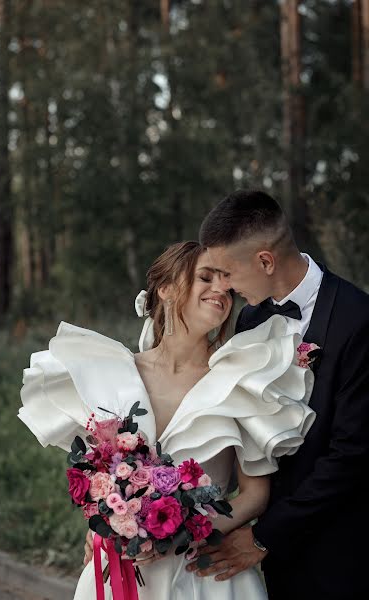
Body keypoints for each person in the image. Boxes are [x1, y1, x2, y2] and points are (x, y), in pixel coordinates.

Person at [19, 240, 315, 600]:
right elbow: (99, 476)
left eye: (226, 282)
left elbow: (254, 495)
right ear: (168, 289)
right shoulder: (114, 372)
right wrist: (111, 525)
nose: (221, 289)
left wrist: (182, 535)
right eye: (206, 277)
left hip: (203, 574)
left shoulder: (242, 380)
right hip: (121, 573)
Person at [184, 190, 369, 600]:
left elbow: (353, 454)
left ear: (265, 261)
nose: (225, 288)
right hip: (272, 552)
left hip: (340, 547)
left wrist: (264, 536)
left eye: (228, 274)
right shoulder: (250, 319)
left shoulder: (358, 320)